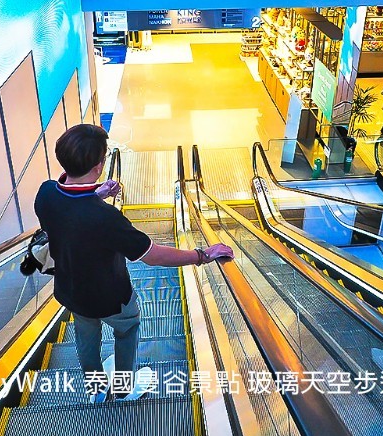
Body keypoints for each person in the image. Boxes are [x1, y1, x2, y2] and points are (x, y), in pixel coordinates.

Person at [34, 124, 233, 403]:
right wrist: (201, 255)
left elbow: (69, 211)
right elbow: (152, 255)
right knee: (126, 330)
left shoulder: (45, 194)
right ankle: (124, 388)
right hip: (111, 297)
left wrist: (95, 194)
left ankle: (96, 389)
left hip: (71, 290)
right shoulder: (106, 219)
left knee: (85, 336)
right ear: (98, 164)